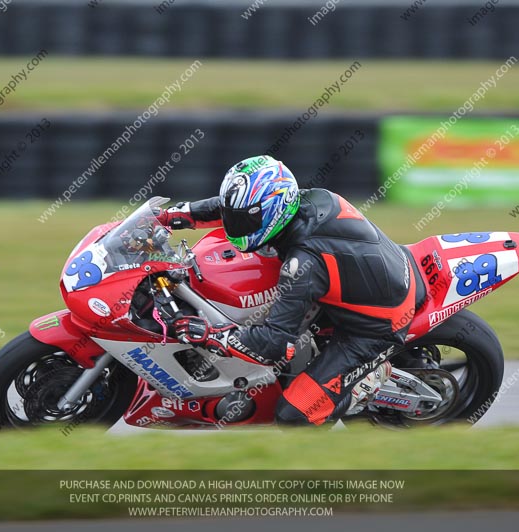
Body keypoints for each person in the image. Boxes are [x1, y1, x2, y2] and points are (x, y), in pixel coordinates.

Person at [158, 155, 425, 425]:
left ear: (274, 210)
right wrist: (174, 216)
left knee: (293, 416)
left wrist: (211, 335)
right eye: (234, 217)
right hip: (368, 278)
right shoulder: (300, 201)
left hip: (375, 326)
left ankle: (368, 381)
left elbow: (275, 343)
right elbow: (231, 207)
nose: (234, 225)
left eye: (244, 219)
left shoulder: (303, 263)